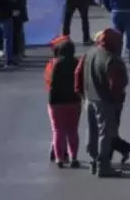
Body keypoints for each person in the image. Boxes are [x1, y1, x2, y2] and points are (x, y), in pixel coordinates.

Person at [75, 29, 129, 178]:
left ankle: (93, 161)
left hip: (89, 98)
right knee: (105, 134)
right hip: (105, 101)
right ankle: (103, 165)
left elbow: (78, 73)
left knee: (91, 130)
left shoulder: (89, 53)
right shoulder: (112, 59)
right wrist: (116, 101)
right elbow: (117, 84)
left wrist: (80, 92)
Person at [44, 36, 82, 169]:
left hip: (57, 102)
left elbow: (51, 83)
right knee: (72, 130)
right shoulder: (77, 62)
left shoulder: (56, 64)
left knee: (58, 130)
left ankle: (59, 158)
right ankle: (74, 157)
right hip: (74, 100)